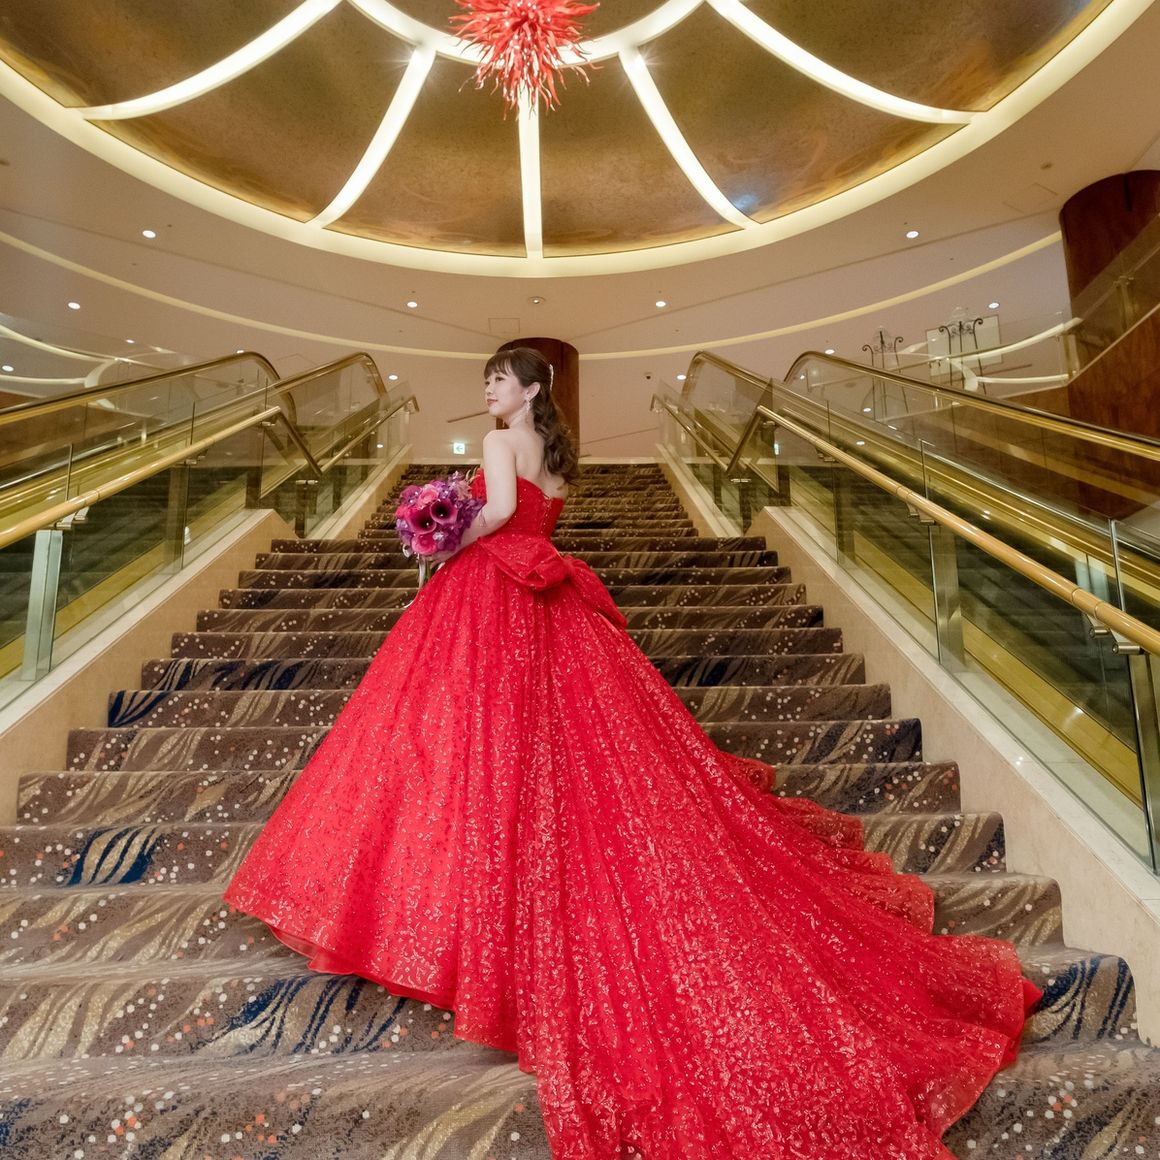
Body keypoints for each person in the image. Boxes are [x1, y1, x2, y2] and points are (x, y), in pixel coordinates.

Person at [224, 346, 1039, 1160]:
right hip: (544, 607)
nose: (488, 390)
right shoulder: (555, 460)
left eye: (499, 380)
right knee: (557, 753)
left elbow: (499, 514)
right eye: (487, 380)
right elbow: (532, 514)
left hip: (492, 599)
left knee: (459, 744)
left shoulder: (500, 445)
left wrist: (440, 535)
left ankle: (459, 915)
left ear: (530, 389)